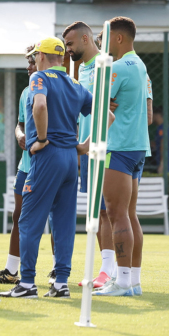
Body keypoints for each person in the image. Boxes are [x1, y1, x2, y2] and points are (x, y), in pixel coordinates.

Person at [0, 37, 91, 299]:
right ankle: (61, 283)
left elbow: (39, 105)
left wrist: (40, 139)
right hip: (70, 160)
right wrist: (83, 146)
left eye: (35, 56)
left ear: (41, 56)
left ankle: (27, 283)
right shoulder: (75, 83)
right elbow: (106, 115)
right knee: (63, 223)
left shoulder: (38, 79)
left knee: (28, 220)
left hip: (48, 157)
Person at [92, 17, 152, 298]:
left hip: (118, 147)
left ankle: (123, 281)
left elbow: (94, 104)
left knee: (116, 215)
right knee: (128, 214)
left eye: (103, 38)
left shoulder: (117, 67)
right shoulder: (139, 65)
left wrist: (101, 99)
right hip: (137, 147)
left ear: (117, 38)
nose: (100, 44)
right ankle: (133, 280)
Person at [62, 22, 114, 289]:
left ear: (86, 38)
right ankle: (106, 269)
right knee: (98, 211)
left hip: (108, 147)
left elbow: (110, 109)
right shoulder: (81, 68)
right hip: (87, 148)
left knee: (109, 211)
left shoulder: (107, 65)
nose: (67, 50)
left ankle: (113, 270)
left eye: (70, 44)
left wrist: (86, 143)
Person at [0, 45, 38, 285]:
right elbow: (20, 124)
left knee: (55, 219)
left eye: (32, 61)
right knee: (19, 216)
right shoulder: (27, 91)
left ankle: (59, 272)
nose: (28, 67)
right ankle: (11, 271)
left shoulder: (63, 86)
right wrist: (19, 135)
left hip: (49, 164)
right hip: (26, 165)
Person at [150, 108, 169, 175]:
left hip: (168, 165)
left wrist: (162, 163)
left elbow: (163, 145)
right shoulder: (162, 128)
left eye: (152, 115)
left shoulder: (163, 128)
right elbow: (158, 143)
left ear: (157, 115)